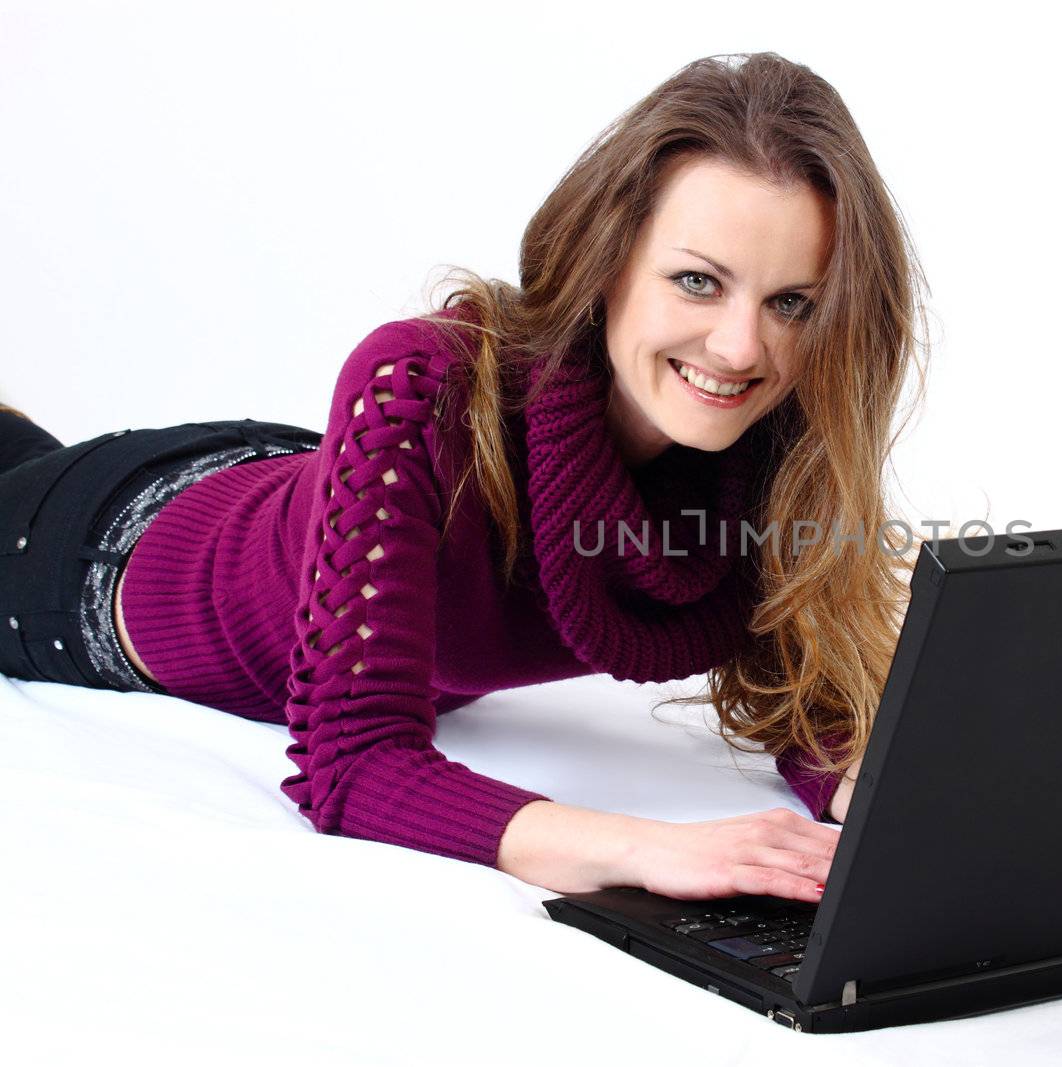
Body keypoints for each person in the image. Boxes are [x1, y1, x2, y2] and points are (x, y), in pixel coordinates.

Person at [0, 52, 929, 904]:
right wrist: (654, 849)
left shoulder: (760, 449)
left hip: (282, 484)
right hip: (92, 561)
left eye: (791, 303)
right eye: (697, 282)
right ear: (606, 264)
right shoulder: (423, 384)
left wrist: (874, 792)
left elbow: (794, 686)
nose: (740, 346)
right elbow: (351, 764)